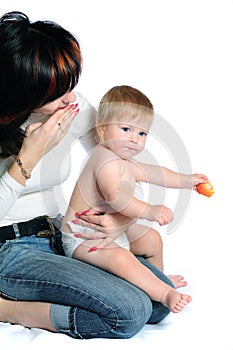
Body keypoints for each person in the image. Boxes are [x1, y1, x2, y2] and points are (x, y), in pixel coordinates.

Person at [0, 11, 183, 339]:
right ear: (23, 92)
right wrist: (30, 155)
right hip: (8, 249)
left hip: (60, 233)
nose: (70, 98)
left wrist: (120, 220)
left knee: (159, 303)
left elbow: (114, 160)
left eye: (71, 85)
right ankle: (9, 308)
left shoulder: (72, 109)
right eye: (57, 92)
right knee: (128, 313)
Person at [62, 85, 208, 313]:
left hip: (110, 232)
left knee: (151, 239)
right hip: (83, 238)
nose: (134, 139)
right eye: (126, 129)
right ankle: (164, 292)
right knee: (122, 259)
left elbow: (156, 173)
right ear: (101, 130)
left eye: (142, 133)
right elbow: (116, 196)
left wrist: (187, 180)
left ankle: (156, 278)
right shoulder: (104, 158)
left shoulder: (125, 160)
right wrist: (150, 210)